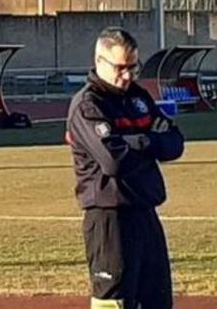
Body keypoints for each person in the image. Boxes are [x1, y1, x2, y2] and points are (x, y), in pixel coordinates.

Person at [66, 28, 185, 309]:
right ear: (99, 62)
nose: (128, 75)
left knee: (158, 300)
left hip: (145, 211)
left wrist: (139, 141)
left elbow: (175, 143)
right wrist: (150, 142)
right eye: (120, 68)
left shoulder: (139, 97)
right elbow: (113, 161)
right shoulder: (88, 105)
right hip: (110, 219)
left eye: (133, 67)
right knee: (115, 302)